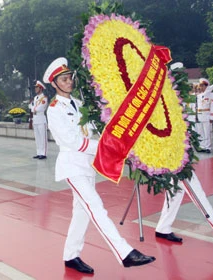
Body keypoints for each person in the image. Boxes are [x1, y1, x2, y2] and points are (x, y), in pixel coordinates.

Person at [44, 57, 155, 274]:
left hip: (86, 164)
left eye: (69, 78)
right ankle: (124, 253)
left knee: (82, 212)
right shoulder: (54, 109)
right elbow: (73, 142)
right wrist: (107, 146)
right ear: (54, 84)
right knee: (96, 207)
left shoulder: (78, 103)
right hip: (72, 165)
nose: (69, 82)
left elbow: (94, 128)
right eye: (64, 79)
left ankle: (71, 255)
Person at [155, 172, 213, 242]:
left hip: (173, 160)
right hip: (174, 162)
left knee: (175, 191)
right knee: (194, 190)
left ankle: (163, 227)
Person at [29, 80, 48, 159]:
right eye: (35, 88)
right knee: (37, 137)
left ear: (41, 88)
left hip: (41, 119)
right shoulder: (35, 98)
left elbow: (40, 108)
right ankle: (38, 152)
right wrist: (33, 108)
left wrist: (33, 108)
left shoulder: (44, 98)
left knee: (43, 137)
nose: (35, 89)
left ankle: (43, 153)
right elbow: (30, 106)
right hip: (35, 119)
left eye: (37, 87)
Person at [194, 78, 213, 153]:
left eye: (203, 86)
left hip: (207, 115)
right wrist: (196, 116)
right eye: (200, 86)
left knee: (207, 132)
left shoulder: (210, 95)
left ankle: (208, 147)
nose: (201, 87)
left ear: (206, 87)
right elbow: (196, 107)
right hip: (199, 115)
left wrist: (212, 117)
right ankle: (202, 146)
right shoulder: (198, 96)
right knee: (200, 132)